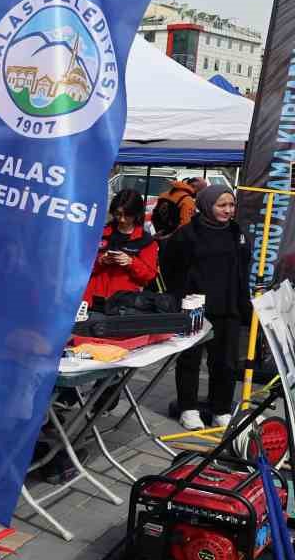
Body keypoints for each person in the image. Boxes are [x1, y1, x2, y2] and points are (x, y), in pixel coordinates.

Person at [162, 184, 251, 430]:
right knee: (189, 360)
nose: (228, 210)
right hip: (195, 307)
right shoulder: (188, 233)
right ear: (207, 205)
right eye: (221, 205)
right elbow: (169, 264)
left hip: (228, 307)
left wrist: (244, 304)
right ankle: (188, 408)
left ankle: (220, 409)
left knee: (226, 363)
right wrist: (182, 295)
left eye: (231, 205)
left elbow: (243, 269)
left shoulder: (237, 232)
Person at [83, 189, 160, 307]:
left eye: (128, 215)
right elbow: (81, 266)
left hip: (123, 303)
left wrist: (131, 262)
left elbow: (149, 276)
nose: (122, 219)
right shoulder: (100, 233)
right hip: (92, 299)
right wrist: (101, 261)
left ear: (136, 214)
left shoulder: (146, 241)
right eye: (118, 214)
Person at [151, 176, 205, 241]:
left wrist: (159, 233)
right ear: (194, 186)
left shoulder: (164, 194)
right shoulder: (187, 200)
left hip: (159, 235)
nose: (199, 194)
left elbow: (155, 216)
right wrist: (167, 237)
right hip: (175, 241)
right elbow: (186, 226)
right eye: (201, 190)